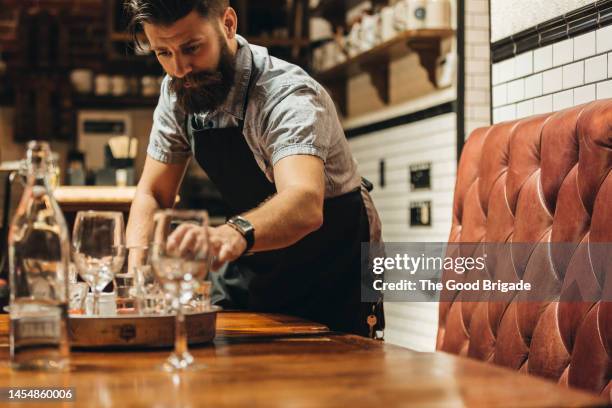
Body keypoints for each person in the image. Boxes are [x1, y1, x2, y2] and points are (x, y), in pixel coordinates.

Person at [124, 0, 383, 336]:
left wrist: (230, 234)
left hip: (333, 264)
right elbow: (153, 193)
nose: (180, 67)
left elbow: (304, 201)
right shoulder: (177, 91)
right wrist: (135, 280)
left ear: (228, 24)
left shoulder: (287, 93)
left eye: (192, 48)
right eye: (163, 53)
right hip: (253, 259)